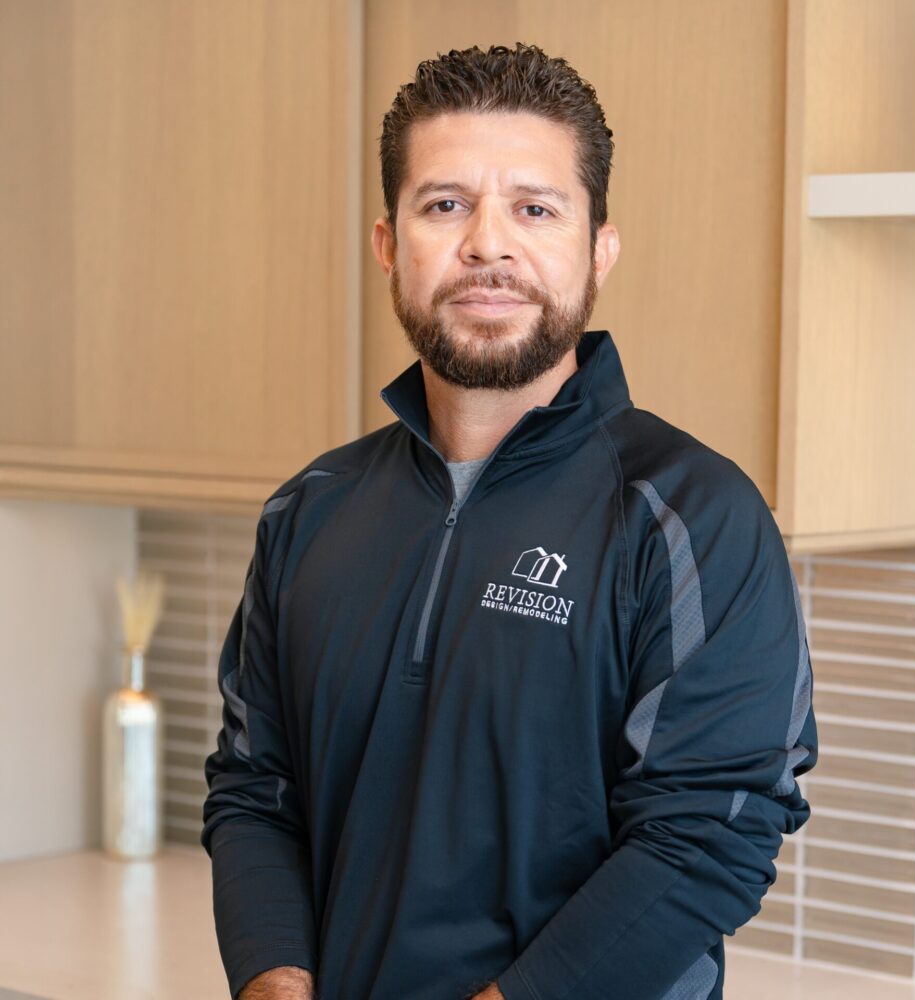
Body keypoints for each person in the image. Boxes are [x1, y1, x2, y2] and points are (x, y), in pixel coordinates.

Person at [201, 42, 818, 1000]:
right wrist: (274, 981)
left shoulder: (693, 515)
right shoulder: (311, 510)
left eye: (535, 208)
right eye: (445, 205)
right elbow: (254, 789)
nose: (487, 244)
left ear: (598, 248)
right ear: (387, 242)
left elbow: (709, 837)